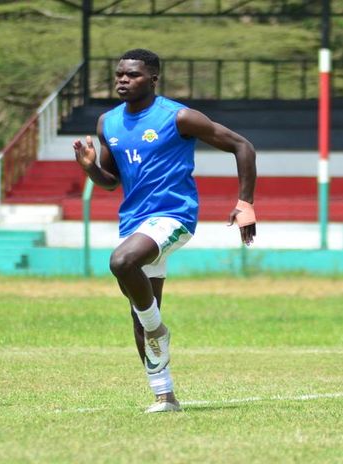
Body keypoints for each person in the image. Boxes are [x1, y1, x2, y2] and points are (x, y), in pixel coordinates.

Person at [72, 49, 257, 413]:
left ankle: (157, 326)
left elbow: (242, 145)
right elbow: (110, 182)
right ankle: (164, 395)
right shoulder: (107, 122)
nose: (123, 80)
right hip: (135, 222)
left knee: (122, 262)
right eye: (119, 74)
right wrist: (91, 168)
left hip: (174, 216)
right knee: (138, 314)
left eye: (133, 75)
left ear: (153, 78)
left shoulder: (179, 116)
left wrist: (245, 202)